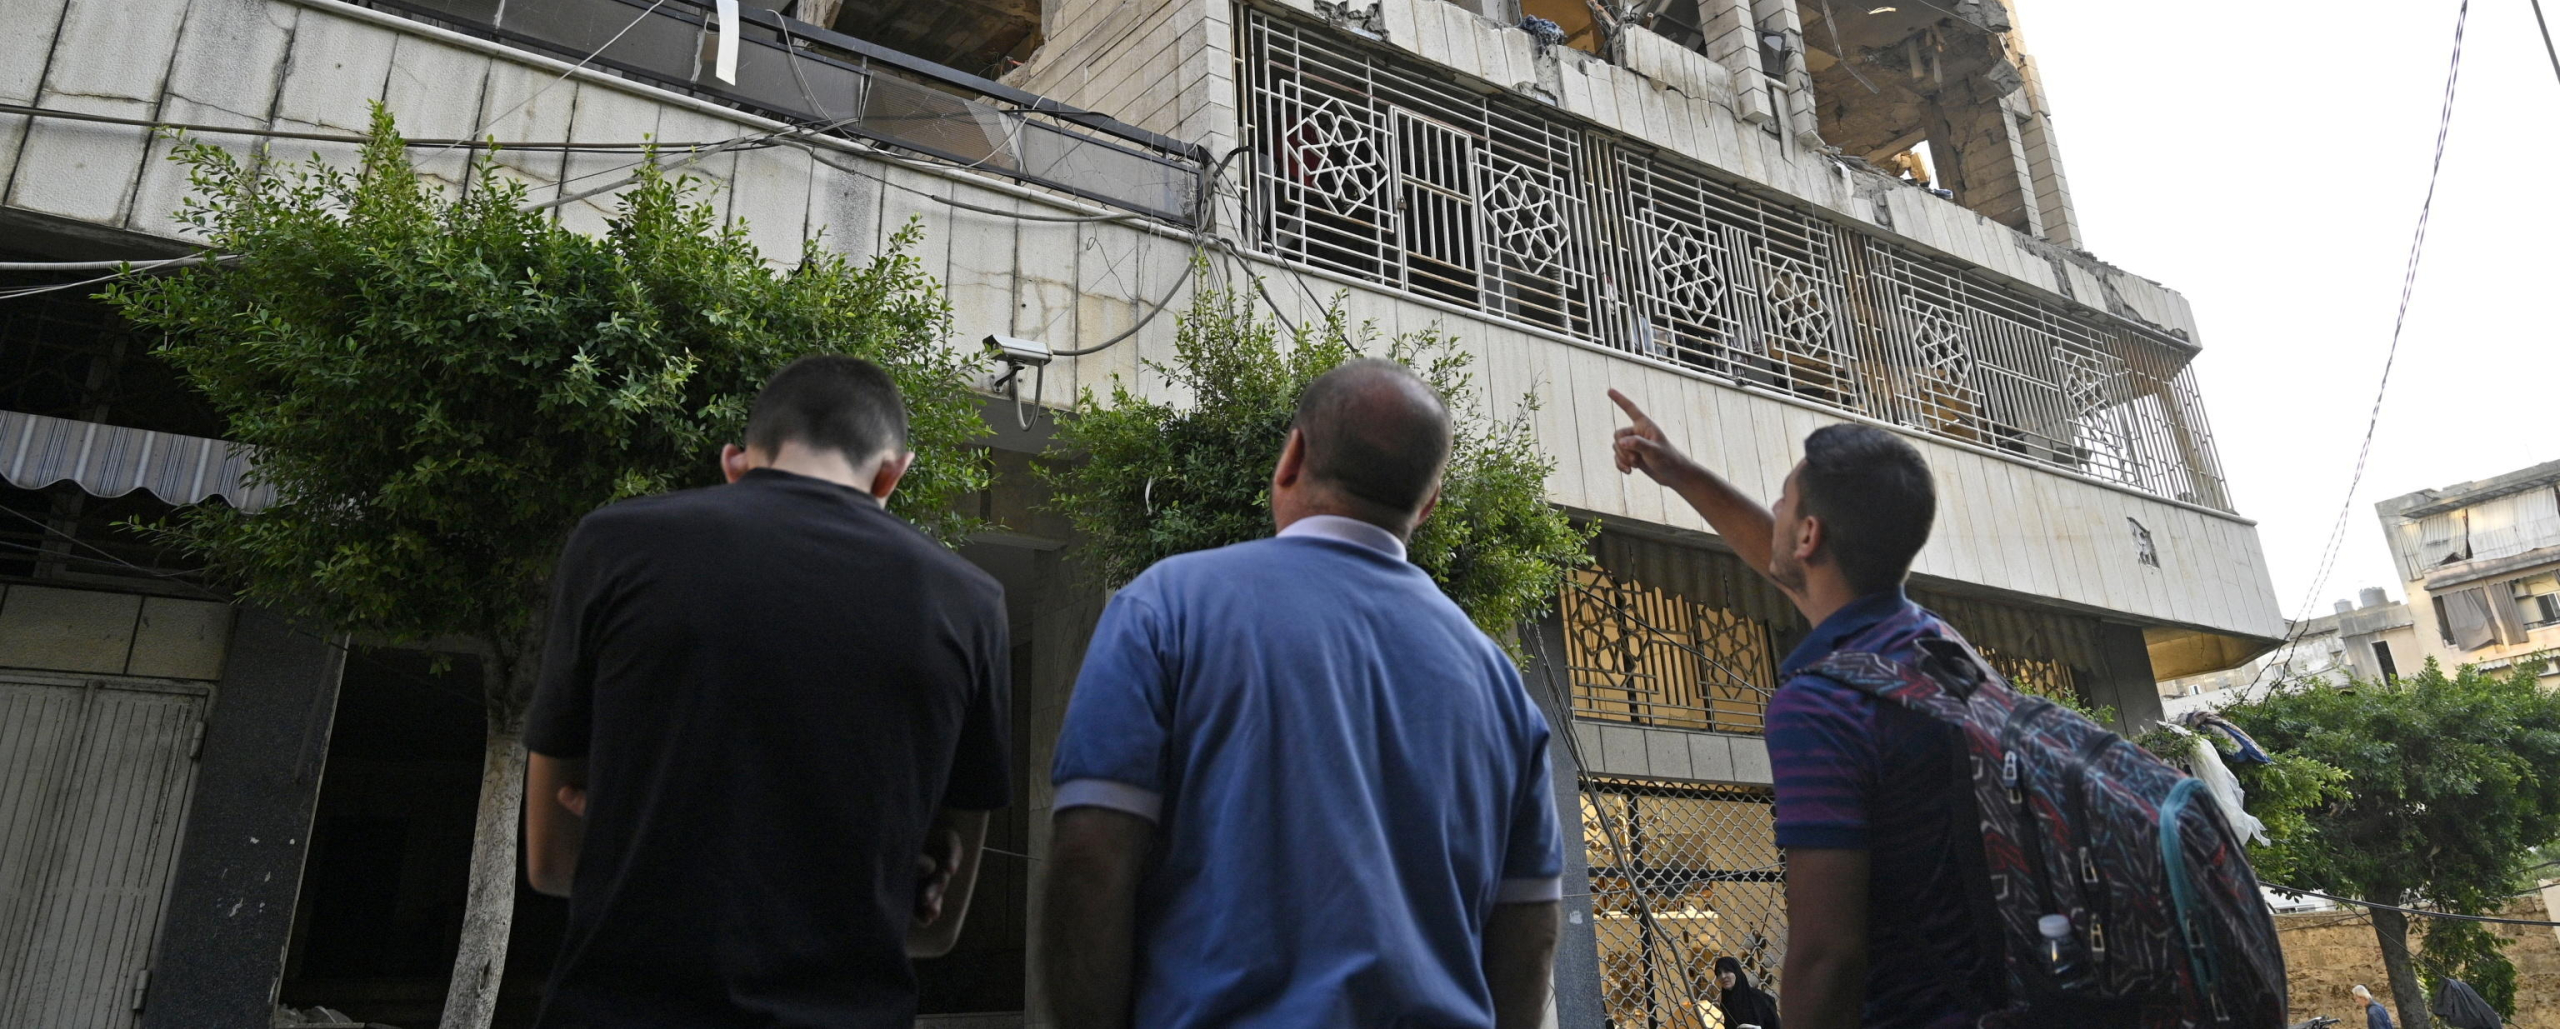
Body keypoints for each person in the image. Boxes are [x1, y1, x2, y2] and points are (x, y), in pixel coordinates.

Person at [1041, 358, 1564, 1029]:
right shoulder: (1499, 686)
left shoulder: (1166, 607)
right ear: (1428, 504)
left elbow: (1090, 854)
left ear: (1292, 456)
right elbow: (1531, 934)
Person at [520, 354, 1012, 1028]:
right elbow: (933, 927)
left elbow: (550, 862)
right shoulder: (971, 603)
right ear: (893, 472)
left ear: (734, 463)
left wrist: (653, 828)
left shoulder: (613, 545)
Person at [1610, 392, 2001, 1029]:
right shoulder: (1939, 650)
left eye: (1784, 503)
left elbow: (1826, 956)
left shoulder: (1823, 703)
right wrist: (1677, 470)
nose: (1773, 512)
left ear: (1810, 534)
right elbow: (1788, 565)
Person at [1713, 955, 1782, 1028]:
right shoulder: (1726, 1003)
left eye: (1727, 971)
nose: (1723, 976)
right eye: (1719, 973)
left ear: (1736, 972)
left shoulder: (1760, 999)